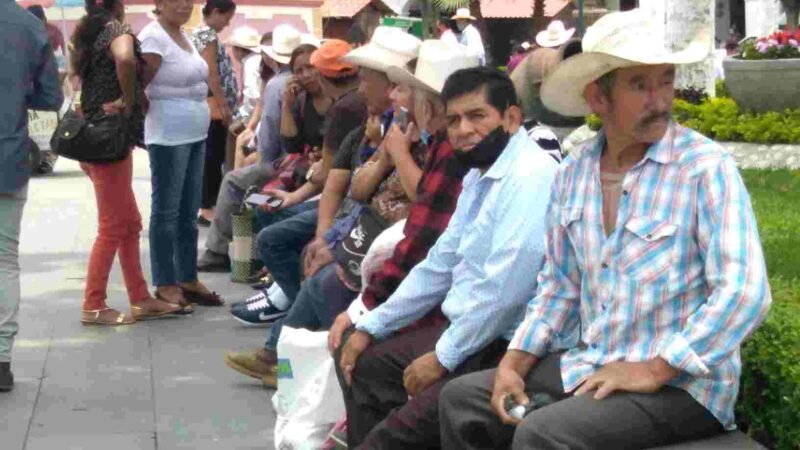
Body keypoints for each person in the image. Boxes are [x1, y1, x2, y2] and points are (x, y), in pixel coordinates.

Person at [438, 10, 772, 449]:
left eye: (666, 80)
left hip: (684, 387)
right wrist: (514, 363)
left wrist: (654, 369)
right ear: (599, 99)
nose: (660, 100)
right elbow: (559, 287)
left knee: (541, 432)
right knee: (462, 400)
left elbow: (745, 292)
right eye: (639, 85)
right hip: (593, 364)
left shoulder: (704, 168)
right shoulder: (574, 174)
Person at [335, 66, 559, 448]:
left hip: (507, 344)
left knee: (391, 438)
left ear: (511, 117)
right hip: (470, 330)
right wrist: (372, 325)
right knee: (364, 363)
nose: (463, 130)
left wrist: (443, 356)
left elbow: (504, 293)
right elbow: (438, 264)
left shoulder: (531, 176)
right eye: (454, 119)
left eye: (477, 116)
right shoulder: (478, 174)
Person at [70, 0, 183, 326]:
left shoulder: (88, 34)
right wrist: (129, 100)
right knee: (113, 226)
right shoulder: (116, 30)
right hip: (110, 140)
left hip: (96, 139)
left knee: (130, 222)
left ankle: (140, 297)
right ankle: (93, 304)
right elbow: (124, 59)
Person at [196, 24, 303, 272]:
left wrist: (256, 154)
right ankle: (245, 254)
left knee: (234, 181)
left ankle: (218, 250)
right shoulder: (287, 81)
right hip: (297, 159)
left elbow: (270, 144)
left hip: (284, 161)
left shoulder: (278, 83)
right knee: (244, 181)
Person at [139, 0, 221, 310]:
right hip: (168, 135)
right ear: (159, 3)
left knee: (188, 213)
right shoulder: (153, 37)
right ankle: (164, 281)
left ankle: (187, 276)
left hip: (196, 131)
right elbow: (139, 85)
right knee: (167, 212)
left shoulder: (183, 36)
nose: (184, 4)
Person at [0, 0, 63, 392]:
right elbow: (48, 99)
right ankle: (1, 358)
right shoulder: (27, 25)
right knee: (4, 259)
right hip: (8, 154)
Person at [191, 0, 237, 225]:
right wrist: (224, 105)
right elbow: (211, 73)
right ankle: (206, 207)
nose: (227, 24)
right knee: (212, 157)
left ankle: (209, 203)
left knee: (213, 156)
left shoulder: (203, 34)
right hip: (212, 106)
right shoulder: (206, 35)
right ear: (216, 12)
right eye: (227, 18)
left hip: (212, 105)